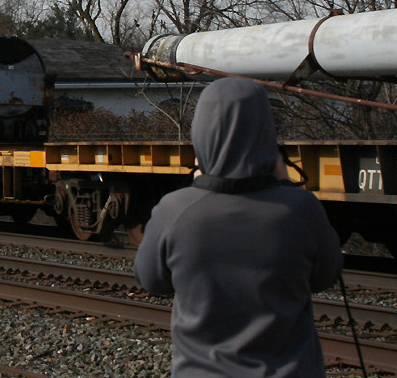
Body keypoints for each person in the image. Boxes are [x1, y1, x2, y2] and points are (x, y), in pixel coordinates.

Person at [134, 78, 343, 377]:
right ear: (266, 134)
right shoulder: (301, 208)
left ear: (201, 133)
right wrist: (282, 182)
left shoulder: (175, 210)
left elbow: (150, 280)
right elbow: (326, 275)